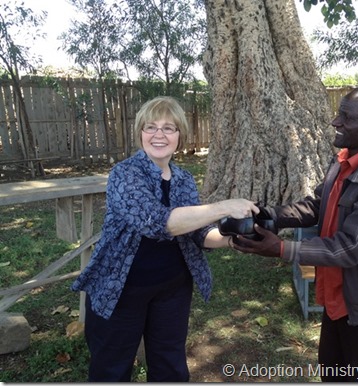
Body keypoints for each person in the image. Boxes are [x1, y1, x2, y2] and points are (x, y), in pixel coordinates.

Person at [233, 86, 358, 382]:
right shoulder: (344, 161)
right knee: (334, 375)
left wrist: (282, 249)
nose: (336, 122)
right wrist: (270, 215)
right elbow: (318, 205)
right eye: (339, 114)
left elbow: (350, 247)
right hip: (339, 298)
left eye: (346, 117)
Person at [71, 96, 258, 382]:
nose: (159, 134)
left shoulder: (183, 179)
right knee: (112, 369)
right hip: (120, 290)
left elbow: (196, 234)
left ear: (179, 135)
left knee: (169, 365)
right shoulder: (124, 174)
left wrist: (233, 240)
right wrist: (223, 207)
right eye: (151, 127)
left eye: (169, 128)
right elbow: (155, 222)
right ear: (140, 134)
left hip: (172, 289)